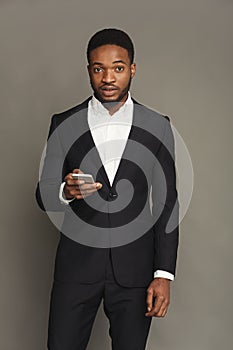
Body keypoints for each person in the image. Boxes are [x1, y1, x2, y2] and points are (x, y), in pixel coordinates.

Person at [36, 28, 179, 350]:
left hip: (135, 273)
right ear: (89, 70)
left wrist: (164, 274)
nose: (108, 77)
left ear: (132, 69)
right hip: (76, 268)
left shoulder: (158, 126)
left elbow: (168, 203)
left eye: (117, 67)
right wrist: (66, 192)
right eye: (98, 68)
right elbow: (43, 194)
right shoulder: (63, 122)